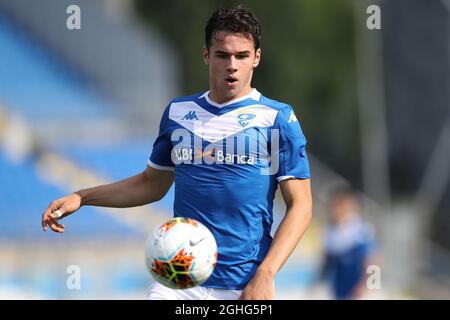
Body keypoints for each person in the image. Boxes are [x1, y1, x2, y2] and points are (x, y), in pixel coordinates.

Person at [41, 5, 312, 300]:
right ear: (206, 55)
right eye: (222, 55)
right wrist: (82, 197)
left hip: (243, 283)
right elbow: (150, 184)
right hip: (180, 279)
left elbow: (300, 205)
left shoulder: (277, 118)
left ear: (256, 58)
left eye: (242, 56)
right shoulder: (178, 113)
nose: (231, 65)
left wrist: (267, 273)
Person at [320, 186, 379, 300]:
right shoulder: (330, 232)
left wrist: (369, 287)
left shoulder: (361, 230)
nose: (334, 210)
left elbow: (375, 261)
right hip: (339, 292)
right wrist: (319, 283)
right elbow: (327, 263)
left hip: (359, 293)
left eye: (338, 205)